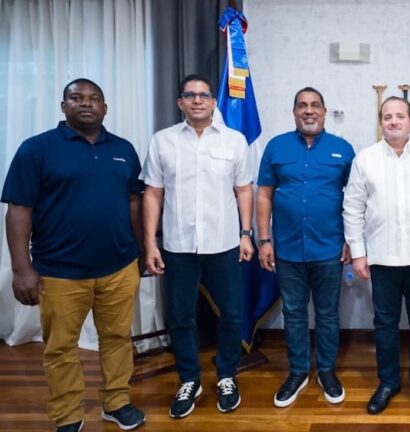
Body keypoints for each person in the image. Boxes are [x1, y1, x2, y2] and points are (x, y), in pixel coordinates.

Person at [1, 78, 146, 431]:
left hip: (118, 266)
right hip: (59, 272)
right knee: (61, 347)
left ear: (105, 107)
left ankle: (116, 401)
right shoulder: (37, 149)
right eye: (76, 98)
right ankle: (68, 414)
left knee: (116, 338)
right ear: (63, 106)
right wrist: (22, 270)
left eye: (94, 98)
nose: (86, 103)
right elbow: (19, 209)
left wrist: (142, 250)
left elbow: (133, 203)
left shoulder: (124, 149)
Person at [141, 74, 255, 419]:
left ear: (213, 101)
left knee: (232, 314)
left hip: (223, 244)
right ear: (181, 103)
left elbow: (244, 190)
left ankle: (226, 375)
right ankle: (189, 379)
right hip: (178, 246)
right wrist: (150, 243)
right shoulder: (163, 141)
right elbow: (153, 193)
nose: (197, 100)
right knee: (180, 317)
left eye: (204, 95)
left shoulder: (235, 141)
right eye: (190, 95)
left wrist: (246, 233)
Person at [257, 87, 355, 408]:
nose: (308, 111)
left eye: (315, 105)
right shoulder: (276, 147)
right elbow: (264, 195)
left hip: (330, 250)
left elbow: (355, 200)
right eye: (302, 105)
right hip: (286, 250)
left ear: (324, 112)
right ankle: (298, 371)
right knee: (294, 313)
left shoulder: (343, 150)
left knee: (327, 314)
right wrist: (264, 239)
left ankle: (326, 370)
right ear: (294, 112)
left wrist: (352, 241)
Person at [343, 96, 410, 419]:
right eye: (387, 117)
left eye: (400, 116)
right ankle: (388, 383)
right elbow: (352, 208)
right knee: (384, 325)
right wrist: (358, 254)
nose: (394, 121)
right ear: (381, 123)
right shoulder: (365, 159)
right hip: (381, 260)